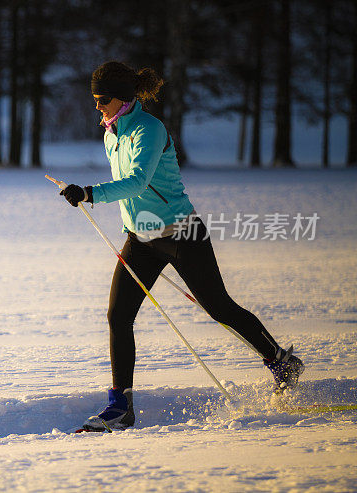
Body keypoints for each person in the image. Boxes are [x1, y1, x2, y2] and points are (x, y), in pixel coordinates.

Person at [59, 61, 304, 432]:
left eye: (103, 99)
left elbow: (138, 181)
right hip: (140, 240)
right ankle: (120, 407)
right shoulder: (111, 133)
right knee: (118, 317)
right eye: (94, 99)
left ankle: (282, 362)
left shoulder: (149, 129)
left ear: (124, 98)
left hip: (182, 234)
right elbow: (131, 192)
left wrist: (91, 193)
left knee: (219, 308)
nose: (97, 106)